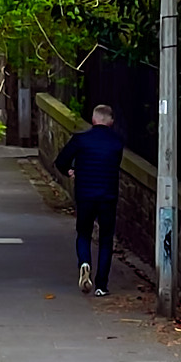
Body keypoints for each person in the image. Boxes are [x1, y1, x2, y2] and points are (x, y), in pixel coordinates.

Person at [55, 103, 126, 297]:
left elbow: (60, 161)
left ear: (94, 120)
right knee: (105, 239)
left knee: (83, 233)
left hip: (85, 195)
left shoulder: (81, 140)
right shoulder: (117, 143)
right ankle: (101, 285)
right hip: (108, 197)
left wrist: (69, 170)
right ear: (110, 121)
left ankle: (84, 262)